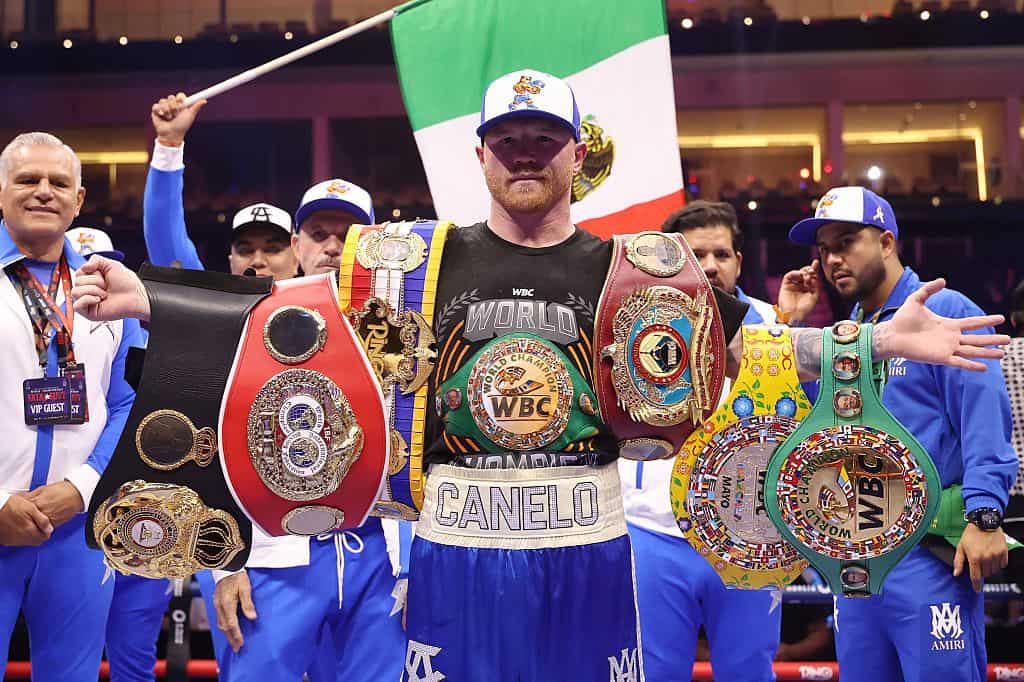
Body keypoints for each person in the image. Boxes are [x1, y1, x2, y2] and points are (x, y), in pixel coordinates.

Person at [70, 72, 1010, 682]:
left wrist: (878, 345)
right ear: (480, 152)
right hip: (454, 549)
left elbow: (750, 347)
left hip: (589, 549)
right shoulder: (415, 261)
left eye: (544, 137)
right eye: (508, 138)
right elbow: (291, 317)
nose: (525, 152)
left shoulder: (634, 268)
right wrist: (151, 299)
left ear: (575, 153)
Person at [145, 93, 406, 682]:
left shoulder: (402, 322)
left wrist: (416, 564)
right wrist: (223, 562)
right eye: (318, 233)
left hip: (378, 553)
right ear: (298, 246)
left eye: (349, 233)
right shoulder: (247, 322)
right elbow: (170, 257)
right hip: (273, 552)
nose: (333, 246)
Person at [782, 185, 1017, 682]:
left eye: (846, 242)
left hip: (929, 554)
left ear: (887, 242)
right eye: (824, 249)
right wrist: (793, 321)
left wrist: (985, 514)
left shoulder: (945, 310)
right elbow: (817, 430)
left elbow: (984, 418)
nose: (832, 259)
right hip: (858, 555)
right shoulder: (852, 330)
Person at [618, 200, 785, 681]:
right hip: (651, 532)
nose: (711, 266)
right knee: (651, 672)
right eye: (696, 255)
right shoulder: (631, 323)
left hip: (748, 538)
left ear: (739, 262)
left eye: (721, 254)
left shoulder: (775, 326)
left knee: (749, 671)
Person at [0, 132, 142, 680]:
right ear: (2, 191)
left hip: (77, 527)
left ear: (79, 200)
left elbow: (127, 403)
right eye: (27, 179)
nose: (43, 191)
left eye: (58, 182)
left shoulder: (109, 289)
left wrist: (82, 487)